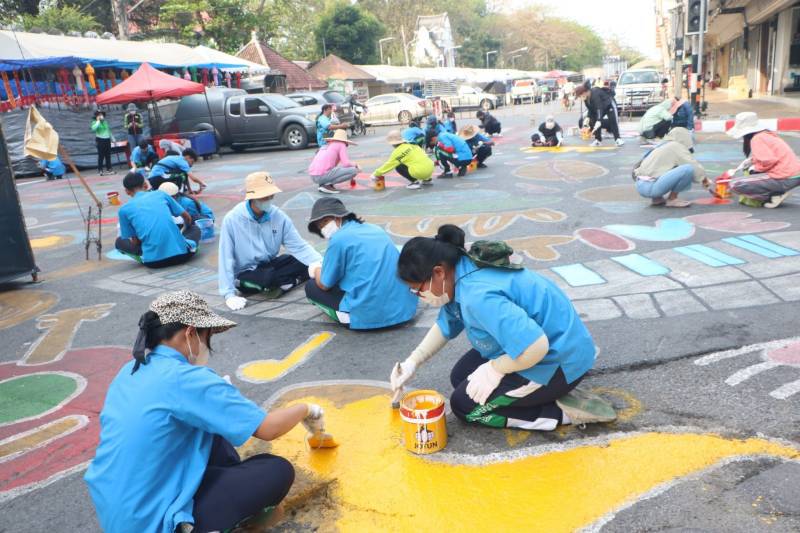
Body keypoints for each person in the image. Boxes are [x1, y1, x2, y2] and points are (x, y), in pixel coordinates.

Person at [85, 290, 328, 533]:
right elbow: (268, 428)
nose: (206, 347)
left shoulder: (131, 369)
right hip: (154, 522)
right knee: (276, 470)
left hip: (118, 515)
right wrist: (306, 409)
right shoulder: (186, 379)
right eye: (207, 337)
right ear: (190, 333)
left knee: (209, 432)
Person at [389, 225, 615, 430]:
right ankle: (535, 394)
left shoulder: (478, 296)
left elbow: (536, 347)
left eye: (418, 289)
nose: (419, 296)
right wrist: (413, 362)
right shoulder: (460, 269)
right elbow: (446, 324)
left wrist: (495, 368)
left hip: (557, 362)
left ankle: (560, 413)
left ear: (438, 272)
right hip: (550, 342)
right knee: (461, 378)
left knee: (465, 407)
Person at [305, 198, 418, 329]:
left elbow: (325, 284)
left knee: (311, 286)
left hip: (367, 318)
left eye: (324, 222)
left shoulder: (338, 239)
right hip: (404, 311)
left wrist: (316, 269)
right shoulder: (375, 229)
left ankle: (347, 315)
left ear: (337, 217)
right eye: (320, 226)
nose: (323, 228)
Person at [219, 171, 322, 311]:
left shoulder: (278, 216)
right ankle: (290, 280)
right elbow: (226, 257)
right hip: (246, 272)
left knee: (300, 260)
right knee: (268, 278)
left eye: (271, 195)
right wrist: (228, 294)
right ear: (252, 197)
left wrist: (321, 264)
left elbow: (299, 246)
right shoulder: (232, 219)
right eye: (264, 196)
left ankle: (287, 283)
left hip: (269, 264)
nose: (269, 199)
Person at [115, 172, 201, 268]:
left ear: (127, 191)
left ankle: (148, 253)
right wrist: (183, 232)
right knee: (194, 229)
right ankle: (179, 243)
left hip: (154, 262)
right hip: (182, 255)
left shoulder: (124, 210)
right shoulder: (161, 194)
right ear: (145, 185)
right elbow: (187, 218)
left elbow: (136, 242)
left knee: (120, 241)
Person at [719, 111, 800, 208]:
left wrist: (755, 169)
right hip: (794, 175)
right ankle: (776, 193)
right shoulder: (767, 135)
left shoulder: (757, 139)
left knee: (735, 184)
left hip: (784, 177)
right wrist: (752, 161)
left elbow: (768, 161)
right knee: (753, 175)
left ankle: (774, 195)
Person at [633, 127, 707, 208]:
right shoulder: (676, 146)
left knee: (665, 167)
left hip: (640, 185)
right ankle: (672, 199)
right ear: (685, 138)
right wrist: (704, 179)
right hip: (652, 187)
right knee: (687, 169)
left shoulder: (662, 145)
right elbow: (693, 166)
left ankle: (657, 198)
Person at [308, 129, 360, 195]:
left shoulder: (326, 145)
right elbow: (346, 163)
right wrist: (356, 165)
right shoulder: (341, 144)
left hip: (313, 176)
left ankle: (324, 184)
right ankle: (326, 185)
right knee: (354, 170)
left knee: (335, 170)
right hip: (322, 175)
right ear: (345, 141)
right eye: (347, 144)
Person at [91, 110, 114, 176]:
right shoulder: (94, 122)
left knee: (108, 155)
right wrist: (98, 121)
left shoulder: (105, 122)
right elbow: (93, 129)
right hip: (100, 140)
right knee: (101, 155)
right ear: (96, 116)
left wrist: (113, 138)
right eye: (99, 115)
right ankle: (100, 170)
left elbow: (108, 130)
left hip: (107, 140)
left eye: (102, 115)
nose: (101, 116)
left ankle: (109, 169)